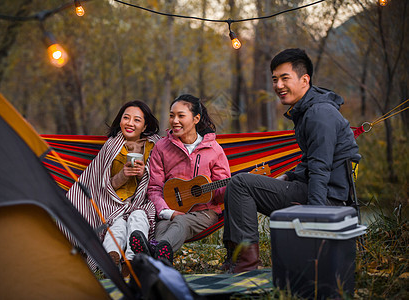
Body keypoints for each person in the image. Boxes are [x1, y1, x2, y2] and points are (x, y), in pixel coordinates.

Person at [222, 48, 361, 273]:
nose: (278, 86)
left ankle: (245, 265)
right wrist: (287, 176)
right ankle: (235, 259)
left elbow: (320, 169)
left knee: (240, 184)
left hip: (327, 200)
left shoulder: (319, 114)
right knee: (237, 185)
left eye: (285, 78)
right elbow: (310, 160)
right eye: (275, 80)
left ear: (305, 79)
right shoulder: (307, 110)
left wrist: (315, 219)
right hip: (316, 190)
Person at [130, 94, 231, 264]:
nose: (174, 120)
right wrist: (167, 212)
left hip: (204, 212)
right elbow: (154, 187)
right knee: (161, 230)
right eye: (171, 115)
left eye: (181, 116)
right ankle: (158, 262)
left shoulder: (214, 149)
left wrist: (227, 187)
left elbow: (221, 194)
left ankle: (146, 256)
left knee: (181, 223)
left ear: (196, 118)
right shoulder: (162, 147)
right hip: (170, 210)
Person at [66, 100, 160, 276]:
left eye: (137, 120)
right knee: (117, 225)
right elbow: (102, 184)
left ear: (145, 125)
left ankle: (131, 261)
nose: (130, 123)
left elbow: (159, 181)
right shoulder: (112, 145)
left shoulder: (155, 146)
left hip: (140, 203)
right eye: (126, 118)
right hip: (113, 203)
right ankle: (111, 258)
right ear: (120, 120)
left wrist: (142, 174)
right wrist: (124, 175)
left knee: (138, 219)